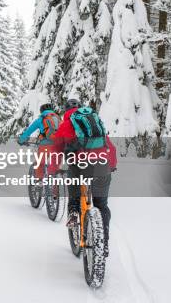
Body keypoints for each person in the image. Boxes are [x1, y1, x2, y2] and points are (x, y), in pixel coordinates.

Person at [51, 98, 117, 255]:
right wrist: (112, 165)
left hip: (80, 167)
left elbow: (56, 150)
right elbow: (109, 146)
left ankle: (74, 214)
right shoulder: (94, 122)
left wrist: (54, 170)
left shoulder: (66, 125)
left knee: (74, 196)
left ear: (65, 111)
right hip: (102, 166)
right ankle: (103, 243)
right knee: (102, 205)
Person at [18, 103, 61, 179]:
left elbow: (29, 131)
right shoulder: (59, 119)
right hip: (59, 146)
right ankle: (55, 188)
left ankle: (39, 182)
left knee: (40, 163)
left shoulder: (41, 118)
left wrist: (21, 140)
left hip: (45, 146)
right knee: (55, 167)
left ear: (42, 111)